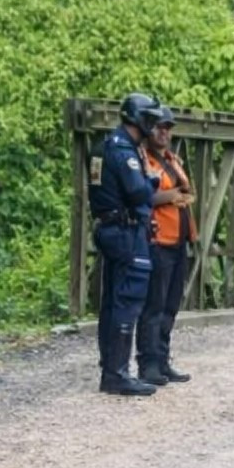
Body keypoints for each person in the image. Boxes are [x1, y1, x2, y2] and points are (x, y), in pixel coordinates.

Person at [89, 92, 163, 396]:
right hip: (125, 232)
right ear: (140, 119)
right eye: (152, 120)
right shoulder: (125, 152)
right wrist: (152, 180)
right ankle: (117, 374)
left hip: (109, 228)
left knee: (111, 301)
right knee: (128, 300)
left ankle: (111, 367)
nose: (155, 126)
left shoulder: (103, 145)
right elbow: (138, 193)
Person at [135, 105, 195, 387]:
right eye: (159, 126)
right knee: (154, 305)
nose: (164, 132)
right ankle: (148, 364)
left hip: (178, 240)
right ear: (149, 129)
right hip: (158, 240)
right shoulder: (143, 159)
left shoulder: (172, 159)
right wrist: (172, 196)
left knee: (170, 305)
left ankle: (162, 360)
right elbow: (141, 195)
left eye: (168, 127)